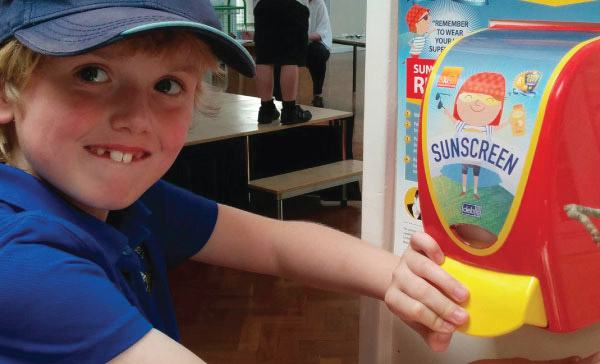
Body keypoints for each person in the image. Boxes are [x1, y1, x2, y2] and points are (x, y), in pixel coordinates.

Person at [0, 1, 470, 362]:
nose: (137, 118)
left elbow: (273, 243)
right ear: (7, 90)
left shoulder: (128, 206)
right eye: (92, 73)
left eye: (168, 85)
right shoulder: (23, 264)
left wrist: (394, 277)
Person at [253, 0, 312, 125]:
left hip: (263, 4)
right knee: (290, 57)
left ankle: (266, 109)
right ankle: (289, 111)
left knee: (264, 57)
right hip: (293, 5)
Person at [306, 0, 332, 108]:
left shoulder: (320, 4)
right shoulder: (299, 2)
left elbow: (321, 34)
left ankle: (318, 94)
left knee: (317, 53)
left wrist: (304, 36)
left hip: (319, 43)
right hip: (302, 43)